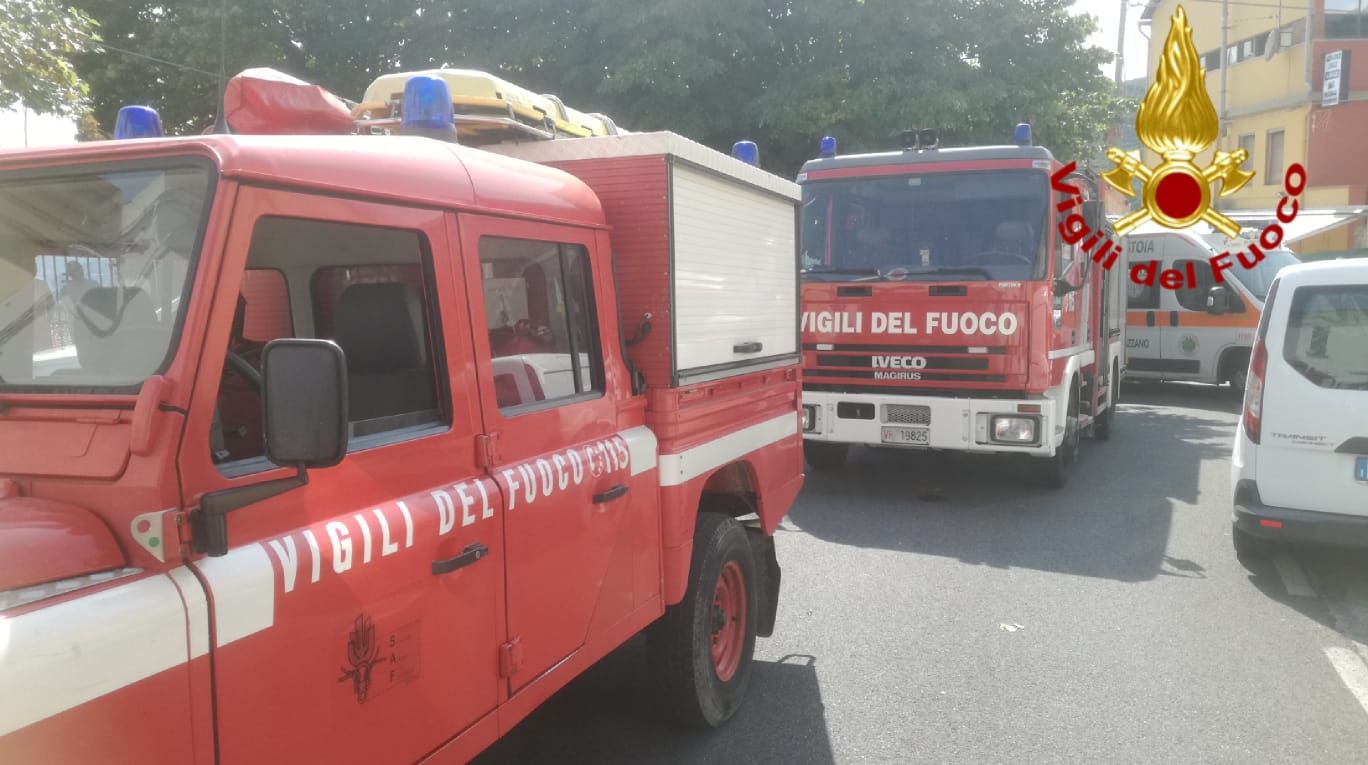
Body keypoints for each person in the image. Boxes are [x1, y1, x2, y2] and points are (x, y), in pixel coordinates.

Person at [0, 239, 56, 383]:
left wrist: (45, 322)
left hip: (36, 330)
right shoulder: (15, 285)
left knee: (37, 361)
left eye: (34, 265)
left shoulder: (41, 284)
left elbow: (51, 307)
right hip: (14, 334)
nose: (33, 268)